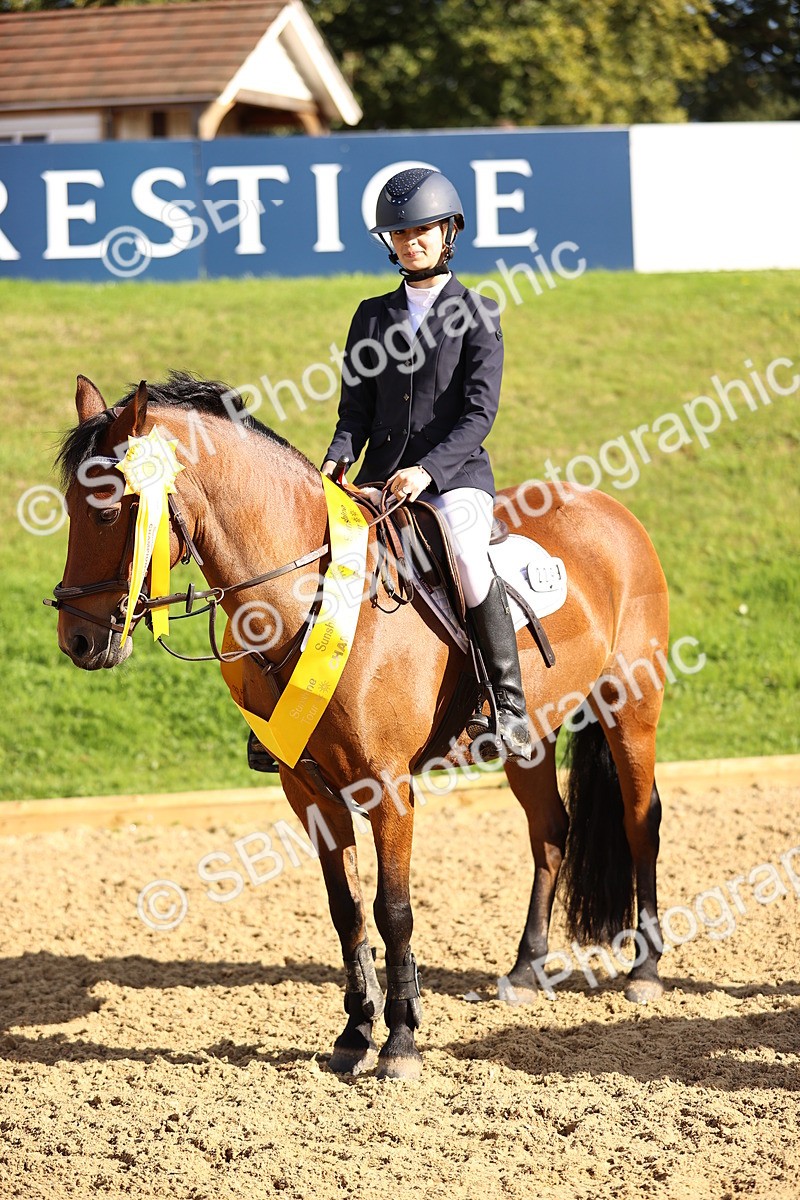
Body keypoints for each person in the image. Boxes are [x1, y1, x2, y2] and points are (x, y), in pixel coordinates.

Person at [321, 168, 532, 760]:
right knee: (323, 557)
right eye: (400, 233)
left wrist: (428, 472)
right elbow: (353, 411)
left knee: (467, 555)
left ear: (449, 232)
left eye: (423, 230)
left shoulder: (479, 312)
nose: (411, 241)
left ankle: (507, 705)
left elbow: (478, 416)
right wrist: (338, 459)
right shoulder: (370, 315)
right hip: (378, 479)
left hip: (453, 480)